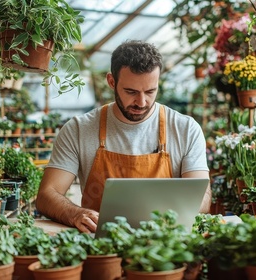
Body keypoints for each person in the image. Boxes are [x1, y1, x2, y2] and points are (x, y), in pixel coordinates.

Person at [36, 40, 211, 233]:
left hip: (166, 243)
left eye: (150, 91)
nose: (142, 102)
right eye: (131, 92)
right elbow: (46, 195)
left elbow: (201, 196)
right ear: (112, 81)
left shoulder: (185, 129)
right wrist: (75, 214)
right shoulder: (78, 130)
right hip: (100, 245)